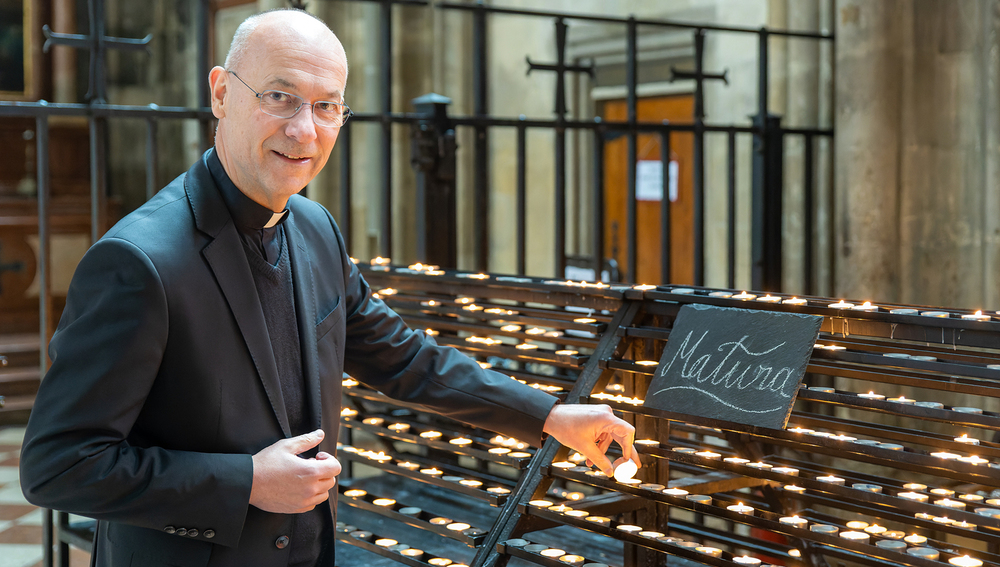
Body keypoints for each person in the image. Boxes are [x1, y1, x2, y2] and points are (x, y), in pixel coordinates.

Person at [19, 9, 639, 567]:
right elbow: (59, 465)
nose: (305, 130)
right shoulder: (138, 261)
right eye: (281, 97)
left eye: (326, 106)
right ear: (221, 93)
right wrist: (246, 482)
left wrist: (551, 416)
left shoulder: (315, 228)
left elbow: (407, 360)